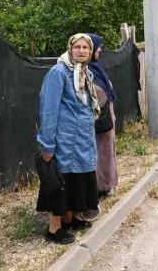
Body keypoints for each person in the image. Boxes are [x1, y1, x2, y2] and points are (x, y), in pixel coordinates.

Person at [36, 34, 100, 244]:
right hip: (63, 141)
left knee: (76, 180)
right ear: (69, 49)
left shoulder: (84, 72)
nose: (81, 51)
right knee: (59, 182)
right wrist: (47, 144)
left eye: (85, 48)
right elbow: (48, 110)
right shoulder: (58, 73)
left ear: (90, 52)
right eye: (77, 47)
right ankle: (54, 229)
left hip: (81, 140)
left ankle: (69, 219)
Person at [86, 33, 118, 199]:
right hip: (95, 119)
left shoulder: (96, 67)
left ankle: (106, 183)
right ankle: (99, 186)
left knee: (107, 150)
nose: (100, 49)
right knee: (98, 152)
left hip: (106, 117)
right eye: (98, 46)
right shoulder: (85, 70)